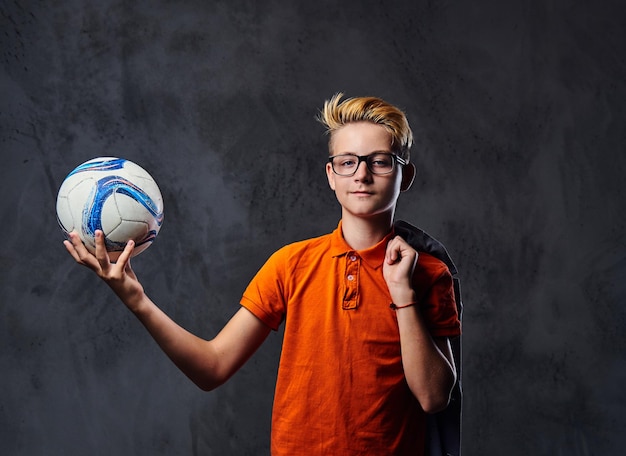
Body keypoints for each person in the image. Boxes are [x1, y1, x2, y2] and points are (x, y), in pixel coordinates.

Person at [64, 93, 461, 455]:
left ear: (404, 175)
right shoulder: (291, 264)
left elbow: (433, 398)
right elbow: (212, 367)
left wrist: (402, 293)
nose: (361, 174)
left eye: (379, 161)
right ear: (331, 175)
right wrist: (137, 299)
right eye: (347, 162)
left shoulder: (428, 272)